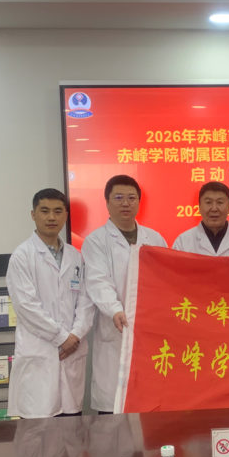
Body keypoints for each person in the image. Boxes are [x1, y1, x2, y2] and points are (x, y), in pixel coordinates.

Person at [82, 175, 167, 415]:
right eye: (118, 197)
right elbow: (98, 281)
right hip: (116, 329)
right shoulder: (96, 241)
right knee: (113, 412)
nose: (125, 203)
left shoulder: (155, 238)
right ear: (107, 203)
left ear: (139, 202)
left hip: (150, 332)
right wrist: (115, 310)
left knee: (148, 412)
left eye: (131, 198)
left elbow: (166, 281)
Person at [6, 189, 94, 419]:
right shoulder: (22, 255)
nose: (51, 217)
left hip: (71, 351)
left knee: (71, 429)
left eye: (57, 211)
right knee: (38, 431)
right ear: (33, 214)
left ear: (66, 215)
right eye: (45, 211)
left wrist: (75, 334)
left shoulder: (75, 256)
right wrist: (62, 338)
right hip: (40, 352)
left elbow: (86, 300)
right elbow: (27, 307)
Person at [172, 182, 229, 256]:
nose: (214, 209)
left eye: (220, 202)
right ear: (200, 207)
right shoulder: (182, 242)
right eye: (208, 202)